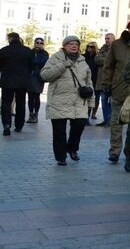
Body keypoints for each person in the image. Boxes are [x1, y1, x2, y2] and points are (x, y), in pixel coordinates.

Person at [40, 35, 92, 165]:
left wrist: (91, 101)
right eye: (71, 44)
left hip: (79, 101)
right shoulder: (56, 58)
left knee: (79, 126)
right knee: (59, 132)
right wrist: (63, 65)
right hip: (59, 100)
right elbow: (45, 75)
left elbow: (88, 81)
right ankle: (61, 157)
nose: (74, 46)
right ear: (64, 46)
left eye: (76, 44)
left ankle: (72, 148)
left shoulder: (83, 61)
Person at [99, 18, 130, 162]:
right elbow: (108, 66)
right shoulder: (117, 45)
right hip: (119, 88)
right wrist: (106, 84)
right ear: (128, 29)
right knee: (116, 122)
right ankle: (115, 151)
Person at [0, 32, 33, 135]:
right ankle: (19, 126)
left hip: (7, 82)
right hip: (22, 82)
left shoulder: (3, 51)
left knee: (6, 104)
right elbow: (31, 66)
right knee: (20, 103)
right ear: (19, 38)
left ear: (9, 39)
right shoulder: (27, 51)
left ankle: (6, 125)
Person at [26, 37, 49, 124]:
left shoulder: (44, 53)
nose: (39, 44)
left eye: (41, 43)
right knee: (30, 97)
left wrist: (35, 63)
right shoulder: (31, 52)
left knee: (36, 96)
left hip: (39, 77)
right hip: (30, 77)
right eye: (37, 42)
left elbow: (43, 63)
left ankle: (36, 115)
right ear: (35, 43)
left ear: (43, 45)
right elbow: (27, 63)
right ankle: (31, 115)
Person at [95, 33, 115, 126]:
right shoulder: (103, 48)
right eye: (106, 38)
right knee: (103, 100)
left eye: (108, 38)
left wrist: (106, 60)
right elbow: (97, 59)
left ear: (113, 39)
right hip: (102, 80)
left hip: (112, 80)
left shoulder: (116, 48)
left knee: (111, 101)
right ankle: (106, 119)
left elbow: (114, 61)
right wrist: (107, 60)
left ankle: (111, 120)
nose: (106, 40)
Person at [83, 41, 101, 121]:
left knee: (95, 98)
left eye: (92, 47)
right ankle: (86, 116)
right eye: (88, 46)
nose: (89, 48)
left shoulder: (97, 57)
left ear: (95, 48)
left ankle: (93, 113)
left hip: (95, 80)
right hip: (84, 80)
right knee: (85, 98)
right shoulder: (83, 57)